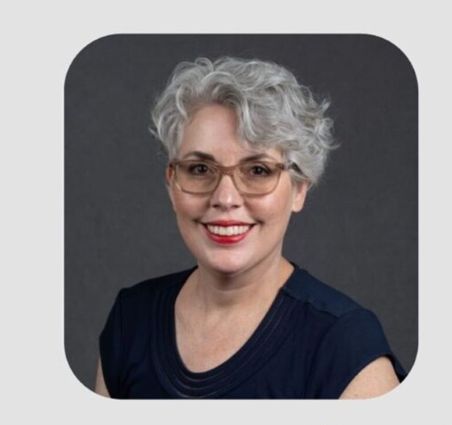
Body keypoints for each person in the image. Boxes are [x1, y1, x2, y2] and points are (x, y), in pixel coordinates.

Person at [96, 57, 403, 399]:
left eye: (257, 171)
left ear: (300, 187)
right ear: (172, 183)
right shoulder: (131, 321)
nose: (225, 198)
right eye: (199, 169)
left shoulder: (345, 346)